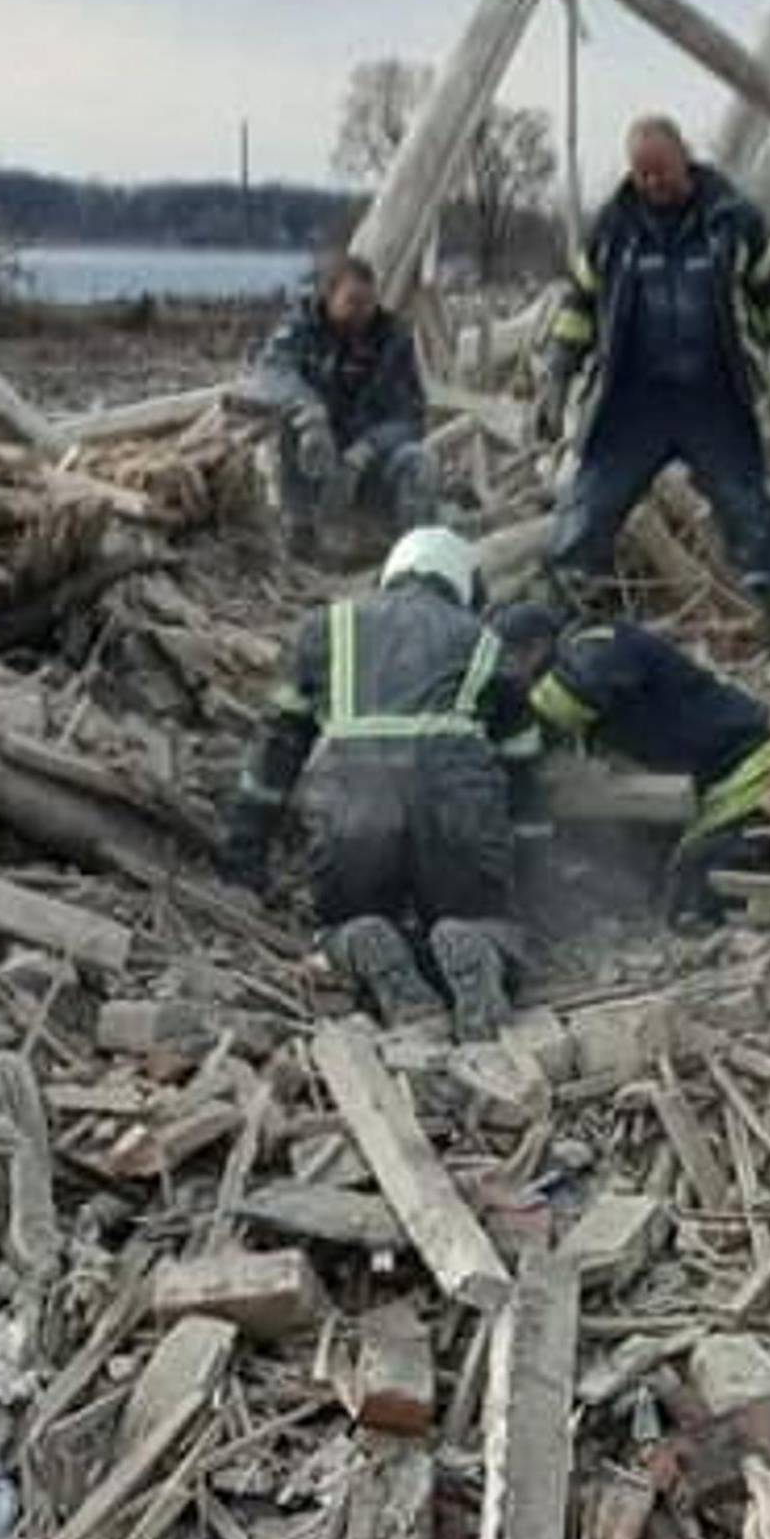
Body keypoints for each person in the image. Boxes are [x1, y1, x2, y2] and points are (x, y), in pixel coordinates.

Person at [223, 525, 537, 1032]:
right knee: (482, 922)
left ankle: (357, 939)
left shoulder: (326, 627)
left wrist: (244, 859)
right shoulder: (485, 641)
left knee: (341, 922)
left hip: (354, 804)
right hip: (454, 802)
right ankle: (479, 942)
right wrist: (530, 871)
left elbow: (274, 752)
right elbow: (523, 770)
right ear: (463, 585)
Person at [540, 116, 770, 639]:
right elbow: (577, 307)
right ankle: (553, 624)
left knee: (750, 511)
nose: (652, 185)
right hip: (632, 403)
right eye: (642, 175)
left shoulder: (734, 222)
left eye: (661, 173)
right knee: (587, 512)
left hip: (714, 399)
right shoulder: (612, 228)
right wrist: (557, 377)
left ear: (685, 159)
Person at [496, 604, 770, 918]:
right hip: (720, 781)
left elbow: (573, 694)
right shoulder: (585, 659)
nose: (513, 676)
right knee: (680, 888)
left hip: (754, 771)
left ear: (538, 645)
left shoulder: (599, 642)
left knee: (702, 896)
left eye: (512, 662)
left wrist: (507, 730)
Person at [256, 250, 434, 548]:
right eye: (352, 302)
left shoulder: (393, 339)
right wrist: (309, 410)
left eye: (368, 303)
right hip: (315, 455)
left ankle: (403, 549)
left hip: (369, 458)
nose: (362, 312)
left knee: (418, 461)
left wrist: (366, 450)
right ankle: (301, 535)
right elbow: (273, 371)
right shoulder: (302, 327)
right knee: (287, 430)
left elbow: (412, 416)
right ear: (329, 297)